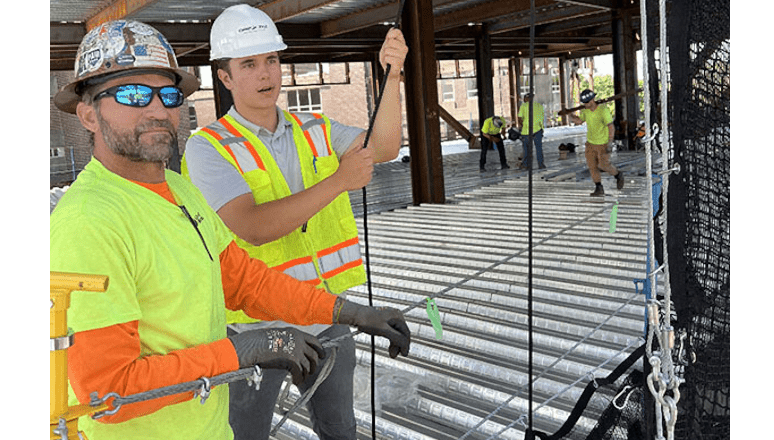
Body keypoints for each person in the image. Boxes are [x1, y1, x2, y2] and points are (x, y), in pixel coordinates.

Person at [49, 19, 411, 440]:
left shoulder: (177, 189)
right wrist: (242, 350)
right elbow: (108, 392)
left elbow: (243, 280)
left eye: (168, 95)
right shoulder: (90, 222)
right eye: (132, 95)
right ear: (88, 114)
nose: (157, 109)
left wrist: (348, 312)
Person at [181, 5, 408, 440]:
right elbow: (253, 225)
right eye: (248, 64)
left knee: (340, 428)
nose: (265, 73)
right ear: (225, 78)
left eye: (271, 59)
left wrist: (393, 76)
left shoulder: (315, 127)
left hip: (324, 314)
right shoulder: (207, 148)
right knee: (247, 434)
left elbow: (383, 146)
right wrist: (340, 180)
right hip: (252, 330)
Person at [568, 89, 625, 196]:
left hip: (603, 143)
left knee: (603, 165)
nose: (586, 105)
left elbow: (611, 127)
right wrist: (569, 114)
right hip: (590, 143)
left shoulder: (603, 110)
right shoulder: (585, 111)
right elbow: (580, 121)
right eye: (584, 103)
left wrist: (609, 143)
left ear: (593, 99)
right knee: (592, 166)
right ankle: (599, 187)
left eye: (588, 102)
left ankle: (618, 174)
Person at [516, 92, 546, 170]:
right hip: (538, 129)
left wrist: (523, 125)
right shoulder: (540, 106)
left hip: (527, 130)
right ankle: (541, 164)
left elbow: (519, 118)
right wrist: (541, 128)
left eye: (525, 98)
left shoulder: (524, 106)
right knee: (539, 148)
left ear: (527, 99)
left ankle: (526, 165)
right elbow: (542, 118)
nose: (524, 100)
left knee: (527, 149)